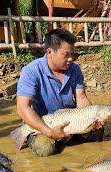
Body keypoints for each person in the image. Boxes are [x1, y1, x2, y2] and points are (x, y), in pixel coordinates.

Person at [15, 28, 102, 156]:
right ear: (50, 52)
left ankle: (67, 139)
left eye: (72, 54)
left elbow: (81, 98)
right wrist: (49, 132)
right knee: (45, 148)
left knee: (97, 132)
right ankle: (31, 135)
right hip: (43, 122)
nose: (71, 58)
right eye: (66, 55)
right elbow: (22, 108)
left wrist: (89, 120)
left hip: (68, 119)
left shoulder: (75, 69)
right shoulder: (31, 71)